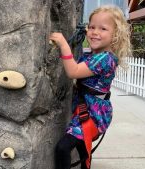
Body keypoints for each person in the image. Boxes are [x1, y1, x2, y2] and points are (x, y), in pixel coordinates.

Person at [50, 5, 132, 169]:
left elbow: (73, 71)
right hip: (83, 108)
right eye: (92, 27)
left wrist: (63, 44)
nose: (95, 32)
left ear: (115, 35)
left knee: (63, 148)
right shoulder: (90, 55)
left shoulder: (106, 59)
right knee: (83, 149)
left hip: (94, 113)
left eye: (103, 28)